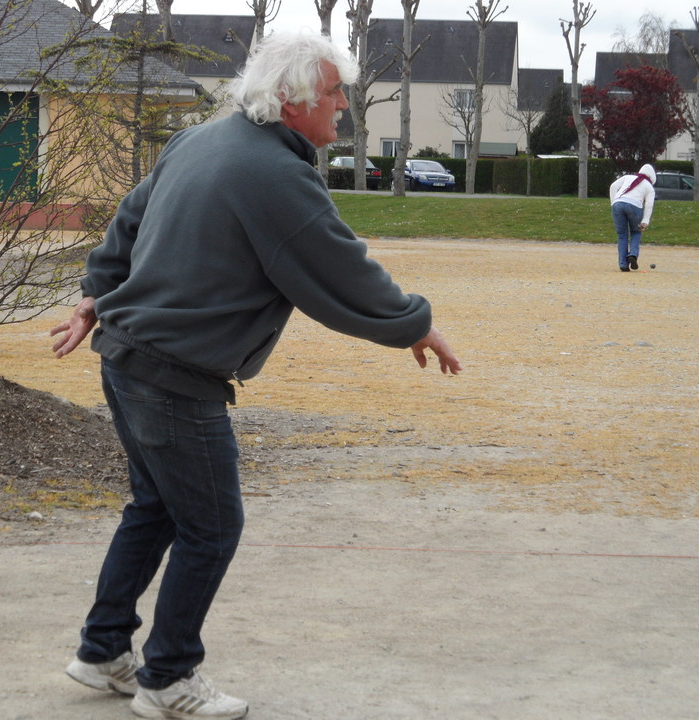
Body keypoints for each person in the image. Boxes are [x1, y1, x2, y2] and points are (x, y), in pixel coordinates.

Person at [50, 31, 461, 720]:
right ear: (293, 98)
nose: (343, 107)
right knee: (212, 528)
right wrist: (413, 322)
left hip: (125, 359)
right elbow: (337, 265)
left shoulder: (202, 140)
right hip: (173, 376)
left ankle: (101, 653)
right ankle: (168, 679)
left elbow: (127, 218)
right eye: (334, 93)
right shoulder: (272, 172)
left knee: (154, 509)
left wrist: (96, 294)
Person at [609, 164, 656, 272]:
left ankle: (623, 264)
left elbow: (613, 187)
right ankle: (633, 254)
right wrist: (645, 221)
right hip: (635, 206)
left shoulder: (628, 177)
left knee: (622, 235)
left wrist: (613, 202)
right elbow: (649, 204)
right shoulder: (649, 187)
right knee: (636, 232)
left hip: (618, 204)